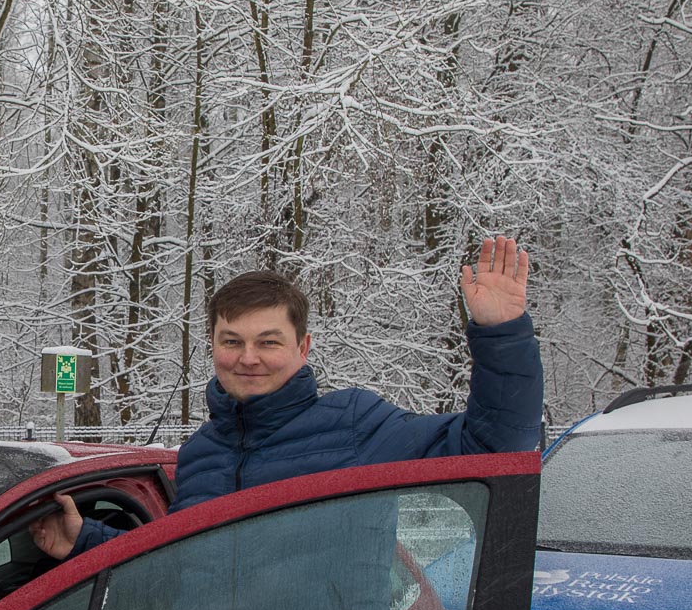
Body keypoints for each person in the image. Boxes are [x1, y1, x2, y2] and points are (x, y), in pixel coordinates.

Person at [31, 235, 542, 558]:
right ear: (212, 346)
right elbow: (179, 567)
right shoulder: (201, 455)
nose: (248, 358)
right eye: (232, 341)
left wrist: (501, 333)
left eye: (268, 342)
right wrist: (88, 540)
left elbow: (497, 447)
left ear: (303, 347)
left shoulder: (357, 427)